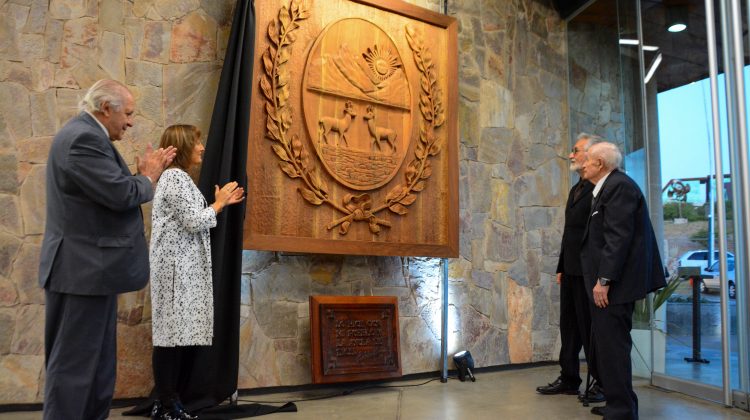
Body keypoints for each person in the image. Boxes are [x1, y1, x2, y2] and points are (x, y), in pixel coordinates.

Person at [39, 79, 176, 420]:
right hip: (81, 272)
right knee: (75, 368)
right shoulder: (83, 139)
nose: (130, 122)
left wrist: (141, 177)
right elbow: (120, 195)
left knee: (97, 368)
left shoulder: (86, 135)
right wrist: (147, 177)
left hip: (90, 272)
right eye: (127, 113)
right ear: (106, 108)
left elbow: (104, 191)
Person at [148, 125, 244, 420]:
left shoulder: (179, 179)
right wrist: (219, 204)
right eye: (197, 142)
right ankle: (166, 404)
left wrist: (215, 204)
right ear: (182, 147)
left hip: (180, 269)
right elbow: (192, 221)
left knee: (175, 337)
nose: (202, 147)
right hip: (176, 270)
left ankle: (168, 400)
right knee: (169, 339)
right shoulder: (175, 177)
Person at [580, 142, 666, 419]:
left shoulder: (619, 186)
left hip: (614, 287)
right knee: (608, 346)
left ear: (600, 165)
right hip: (608, 285)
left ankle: (622, 410)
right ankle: (617, 401)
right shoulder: (608, 186)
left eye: (588, 160)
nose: (583, 164)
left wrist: (604, 280)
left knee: (614, 347)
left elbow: (618, 238)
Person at [537, 133, 604, 403]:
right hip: (571, 271)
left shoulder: (600, 189)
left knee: (590, 330)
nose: (571, 155)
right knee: (569, 328)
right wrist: (561, 266)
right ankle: (569, 379)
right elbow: (570, 233)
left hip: (589, 272)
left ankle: (601, 383)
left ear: (590, 154)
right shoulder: (575, 189)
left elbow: (599, 236)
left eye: (575, 150)